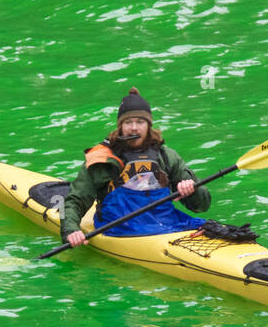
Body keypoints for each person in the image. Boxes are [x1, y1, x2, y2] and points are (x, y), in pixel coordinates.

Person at [61, 87, 212, 246]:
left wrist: (192, 190)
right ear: (120, 126)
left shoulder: (166, 156)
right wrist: (71, 230)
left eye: (140, 122)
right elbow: (76, 200)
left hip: (165, 222)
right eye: (128, 122)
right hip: (119, 228)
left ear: (148, 126)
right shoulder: (102, 159)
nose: (134, 127)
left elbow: (202, 206)